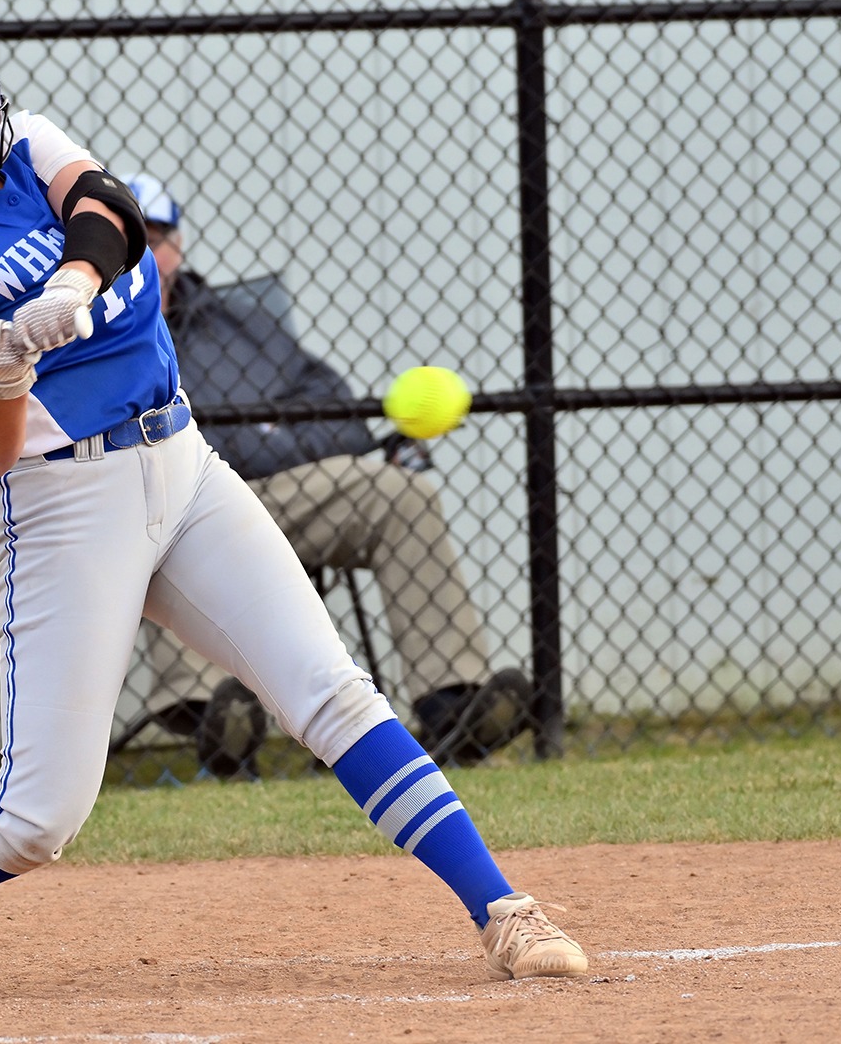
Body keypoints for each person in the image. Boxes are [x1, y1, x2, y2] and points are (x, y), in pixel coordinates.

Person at [0, 0, 587, 1008]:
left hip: (180, 461)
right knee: (36, 819)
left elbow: (107, 207)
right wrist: (5, 376)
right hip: (58, 505)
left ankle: (504, 912)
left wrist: (75, 275)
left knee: (332, 692)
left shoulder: (34, 146)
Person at [120, 171, 533, 768]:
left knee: (399, 492)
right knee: (152, 506)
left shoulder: (246, 328)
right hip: (179, 504)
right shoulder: (86, 334)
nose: (143, 255)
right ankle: (217, 717)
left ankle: (454, 708)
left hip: (285, 495)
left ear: (178, 246)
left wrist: (259, 445)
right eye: (125, 238)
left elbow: (345, 425)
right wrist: (267, 435)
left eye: (154, 237)